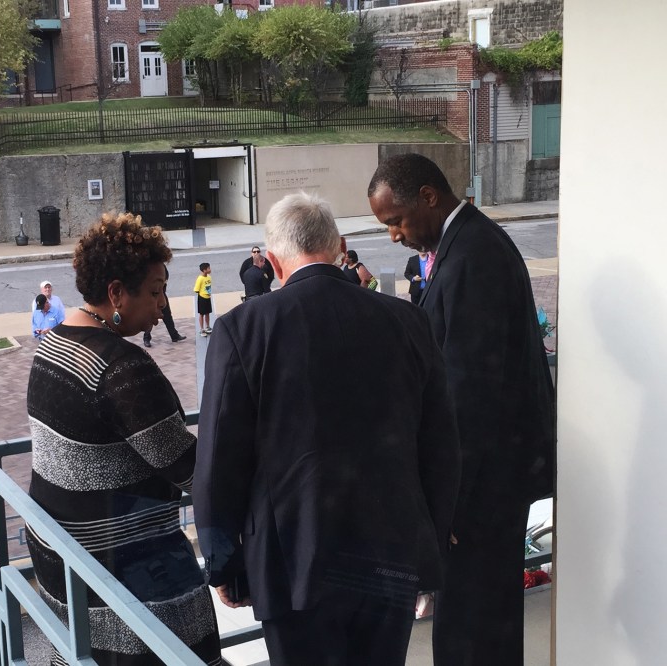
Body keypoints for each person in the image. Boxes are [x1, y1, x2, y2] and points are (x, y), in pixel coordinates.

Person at [195, 191, 460, 666]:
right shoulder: (407, 321)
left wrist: (223, 564)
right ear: (340, 247)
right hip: (391, 554)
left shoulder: (243, 329)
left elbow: (219, 461)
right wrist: (428, 552)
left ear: (273, 262)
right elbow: (440, 447)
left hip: (291, 562)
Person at [368, 153, 555, 666]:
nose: (394, 236)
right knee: (478, 618)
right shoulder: (468, 244)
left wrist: (447, 498)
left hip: (481, 489)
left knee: (474, 625)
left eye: (396, 221)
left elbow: (472, 391)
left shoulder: (473, 255)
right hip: (491, 480)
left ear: (429, 196)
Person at [25, 212, 221, 665]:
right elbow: (193, 472)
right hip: (121, 569)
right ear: (116, 293)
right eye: (155, 291)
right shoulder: (120, 367)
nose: (163, 305)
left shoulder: (52, 343)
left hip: (61, 558)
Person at [142, 265, 186, 348]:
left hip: (161, 294)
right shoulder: (147, 267)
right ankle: (146, 338)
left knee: (167, 316)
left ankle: (174, 335)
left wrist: (164, 282)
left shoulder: (161, 265)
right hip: (152, 296)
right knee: (150, 316)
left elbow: (166, 275)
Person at [193, 262, 213, 336]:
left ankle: (208, 327)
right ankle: (202, 329)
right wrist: (203, 293)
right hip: (202, 298)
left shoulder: (209, 277)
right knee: (202, 314)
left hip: (208, 297)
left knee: (208, 313)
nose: (210, 269)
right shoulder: (200, 279)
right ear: (204, 270)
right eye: (208, 268)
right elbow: (196, 289)